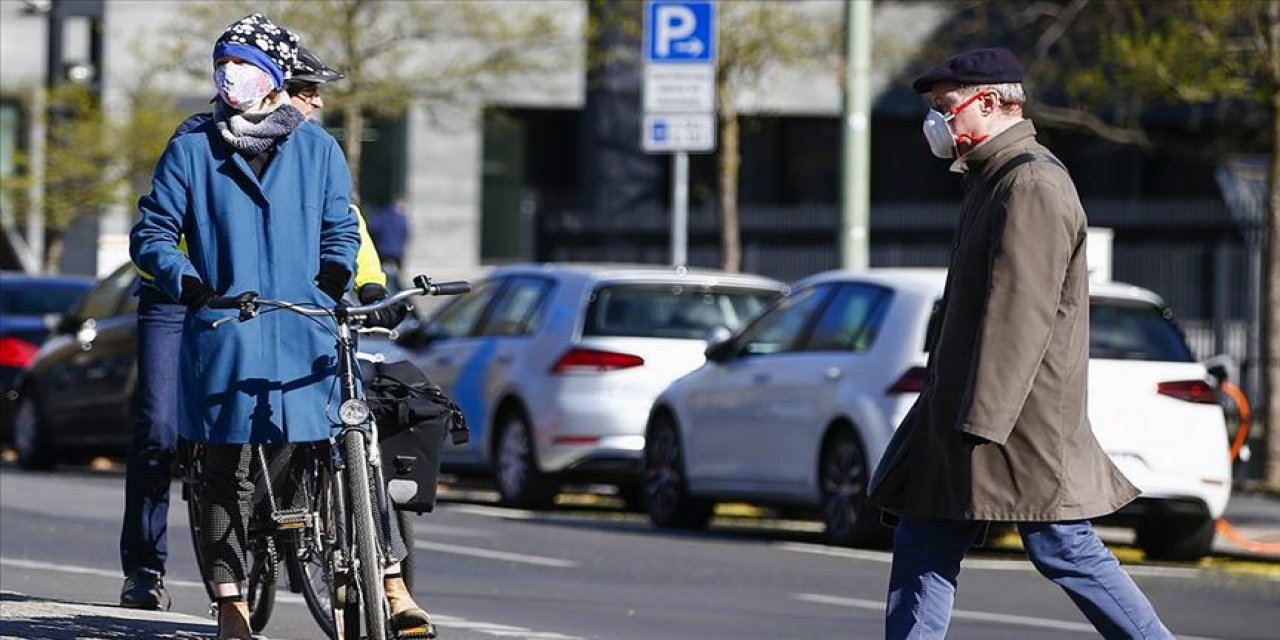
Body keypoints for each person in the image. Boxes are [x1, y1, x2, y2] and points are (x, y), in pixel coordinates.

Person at [881, 48, 1173, 640]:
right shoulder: (994, 177)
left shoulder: (1031, 182)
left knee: (1062, 544)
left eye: (944, 107)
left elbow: (1021, 312)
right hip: (968, 413)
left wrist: (980, 422)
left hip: (1009, 420)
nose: (935, 123)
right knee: (925, 537)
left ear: (988, 102)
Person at [116, 47, 405, 616]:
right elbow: (158, 233)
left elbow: (345, 226)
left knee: (316, 411)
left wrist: (367, 286)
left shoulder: (313, 149)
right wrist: (192, 282)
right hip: (189, 298)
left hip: (274, 300)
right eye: (306, 89)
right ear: (277, 88)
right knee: (160, 425)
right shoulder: (198, 144)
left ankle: (343, 555)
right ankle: (146, 567)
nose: (315, 101)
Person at [368, 198, 410, 287]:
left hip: (382, 249)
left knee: (380, 271)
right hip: (397, 251)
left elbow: (373, 229)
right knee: (398, 273)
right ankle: (398, 287)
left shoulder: (381, 215)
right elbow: (406, 233)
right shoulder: (401, 218)